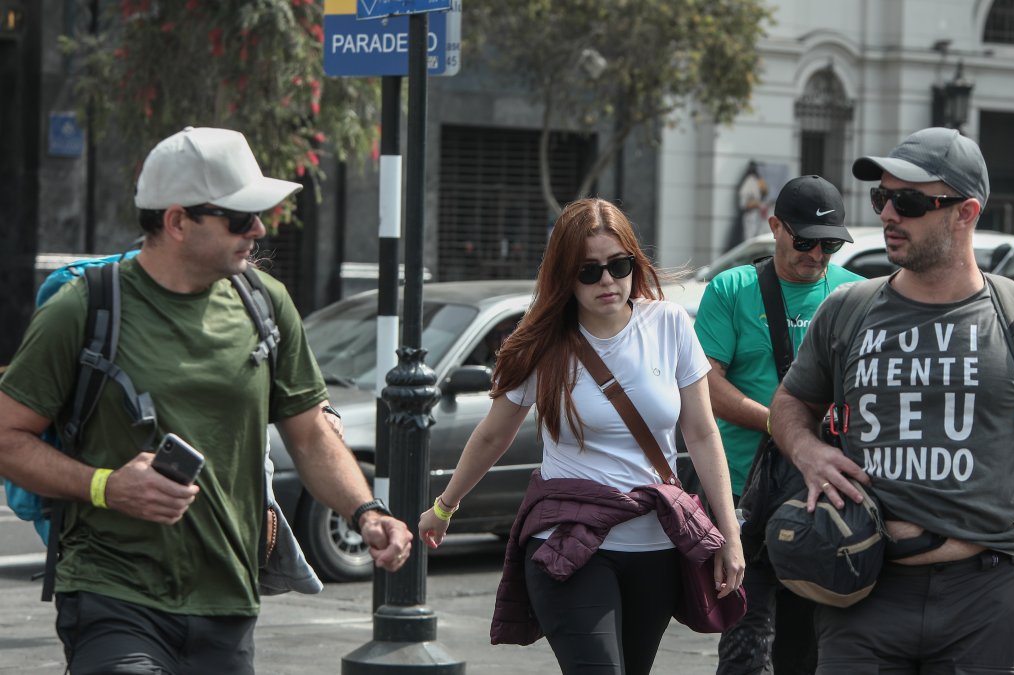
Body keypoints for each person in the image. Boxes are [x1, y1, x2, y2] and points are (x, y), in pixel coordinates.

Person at [0, 126, 412, 675]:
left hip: (228, 600)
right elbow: (7, 436)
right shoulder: (85, 308)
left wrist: (365, 512)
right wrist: (106, 486)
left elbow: (311, 434)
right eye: (240, 219)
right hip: (112, 593)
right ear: (176, 221)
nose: (259, 230)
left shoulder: (266, 304)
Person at [769, 127, 1014, 675]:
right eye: (883, 198)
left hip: (985, 596)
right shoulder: (847, 310)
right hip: (862, 594)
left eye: (908, 201)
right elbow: (789, 404)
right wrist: (807, 452)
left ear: (966, 211)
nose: (888, 215)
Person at [418, 198, 745, 675]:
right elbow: (493, 435)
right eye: (588, 271)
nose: (607, 281)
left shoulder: (669, 324)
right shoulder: (542, 345)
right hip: (570, 543)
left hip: (655, 546)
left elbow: (700, 431)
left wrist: (728, 537)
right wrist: (445, 506)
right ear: (564, 277)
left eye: (618, 265)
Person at [696, 175, 865, 675]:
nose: (817, 254)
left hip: (822, 498)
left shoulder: (856, 295)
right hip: (744, 496)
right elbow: (707, 384)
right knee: (745, 648)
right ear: (775, 227)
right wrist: (780, 424)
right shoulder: (732, 288)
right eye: (805, 240)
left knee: (807, 647)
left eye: (830, 244)